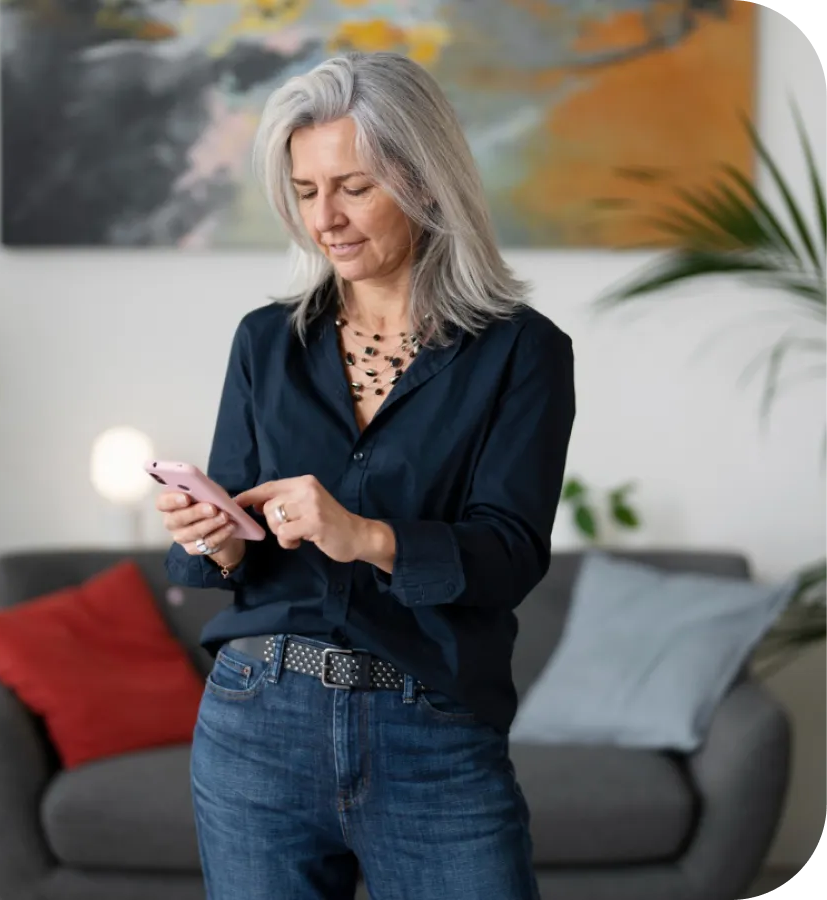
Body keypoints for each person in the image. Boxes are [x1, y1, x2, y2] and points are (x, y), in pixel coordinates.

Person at [158, 50, 576, 900]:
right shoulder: (264, 343)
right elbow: (222, 561)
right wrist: (214, 539)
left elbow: (509, 556)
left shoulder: (523, 353)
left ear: (425, 182)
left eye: (354, 187)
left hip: (434, 731)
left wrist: (367, 538)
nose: (327, 219)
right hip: (256, 722)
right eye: (306, 192)